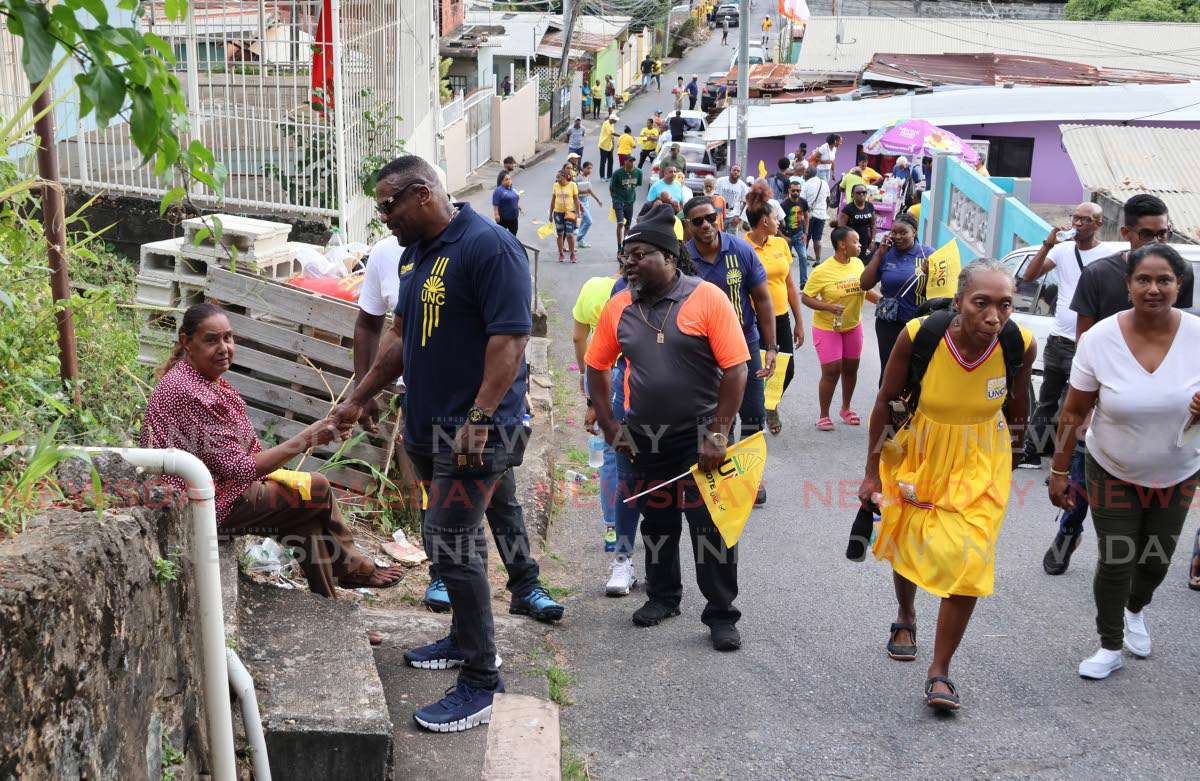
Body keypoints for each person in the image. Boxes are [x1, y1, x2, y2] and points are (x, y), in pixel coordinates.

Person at [332, 155, 563, 733]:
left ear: (422, 194)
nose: (384, 218)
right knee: (448, 540)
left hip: (478, 431)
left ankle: (482, 681)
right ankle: (463, 638)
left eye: (388, 205)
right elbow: (398, 337)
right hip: (428, 427)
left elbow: (509, 341)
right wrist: (359, 396)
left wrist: (479, 416)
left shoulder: (490, 248)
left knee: (450, 537)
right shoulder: (414, 254)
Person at [859, 259, 1035, 712]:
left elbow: (1019, 403)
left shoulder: (1018, 342)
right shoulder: (920, 336)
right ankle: (906, 614)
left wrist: (1015, 457)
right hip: (920, 451)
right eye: (981, 303)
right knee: (910, 537)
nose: (994, 317)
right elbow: (884, 401)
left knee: (971, 558)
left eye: (1005, 305)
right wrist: (872, 472)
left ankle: (940, 670)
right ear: (958, 302)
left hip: (982, 460)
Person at [142, 301, 405, 599]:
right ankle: (352, 567)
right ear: (186, 341)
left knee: (306, 523)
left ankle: (329, 606)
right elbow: (241, 469)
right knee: (317, 488)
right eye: (211, 340)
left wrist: (312, 436)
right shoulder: (192, 392)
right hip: (204, 502)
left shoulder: (199, 380)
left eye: (228, 338)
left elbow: (240, 455)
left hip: (214, 488)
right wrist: (308, 438)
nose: (224, 348)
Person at [585, 204, 750, 650]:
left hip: (702, 434)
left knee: (710, 528)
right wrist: (610, 425)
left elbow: (736, 369)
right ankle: (663, 597)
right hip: (645, 437)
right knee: (657, 523)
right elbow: (596, 366)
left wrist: (719, 432)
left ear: (670, 257)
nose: (630, 264)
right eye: (626, 257)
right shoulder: (619, 306)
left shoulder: (707, 299)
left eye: (640, 255)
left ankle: (721, 613)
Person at [1049, 244, 1200, 680]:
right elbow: (1073, 412)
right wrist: (1059, 471)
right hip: (1112, 467)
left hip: (1178, 471)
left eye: (1164, 280)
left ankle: (1135, 608)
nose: (1154, 289)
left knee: (1156, 561)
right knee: (1117, 557)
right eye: (1143, 280)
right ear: (1128, 285)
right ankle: (1109, 644)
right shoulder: (1099, 340)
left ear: (1179, 285)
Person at [1049, 194, 1196, 577]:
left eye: (1163, 234)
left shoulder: (1179, 273)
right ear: (1127, 232)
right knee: (1083, 477)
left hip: (1156, 409)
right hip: (1103, 400)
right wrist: (1087, 407)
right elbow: (1084, 343)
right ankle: (1068, 532)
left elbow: (1180, 338)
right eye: (1147, 234)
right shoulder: (1099, 274)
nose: (1157, 242)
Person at [682, 195, 777, 506]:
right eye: (698, 221)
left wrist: (771, 347)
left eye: (711, 218)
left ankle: (751, 476)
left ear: (719, 217)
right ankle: (727, 473)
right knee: (718, 413)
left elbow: (762, 299)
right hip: (702, 350)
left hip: (745, 343)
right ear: (688, 226)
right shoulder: (682, 259)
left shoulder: (741, 250)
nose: (706, 225)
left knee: (753, 412)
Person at [1015, 202, 1108, 471]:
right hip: (1057, 341)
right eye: (1075, 218)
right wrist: (1048, 244)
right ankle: (1031, 452)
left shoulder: (1108, 255)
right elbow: (1029, 276)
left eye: (1085, 220)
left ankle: (1064, 464)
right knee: (1046, 401)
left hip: (1085, 344)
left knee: (1073, 406)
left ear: (1098, 224)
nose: (1078, 224)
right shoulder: (1063, 250)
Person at [572, 271, 641, 595]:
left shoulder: (593, 287)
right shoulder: (645, 292)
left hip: (605, 376)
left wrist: (589, 393)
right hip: (635, 377)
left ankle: (613, 528)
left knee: (614, 460)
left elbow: (579, 339)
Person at [802, 226, 877, 431]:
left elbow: (865, 290)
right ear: (842, 244)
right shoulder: (822, 271)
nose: (860, 245)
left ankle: (846, 408)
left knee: (851, 368)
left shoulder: (858, 263)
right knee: (832, 371)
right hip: (828, 327)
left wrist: (882, 301)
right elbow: (806, 298)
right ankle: (824, 415)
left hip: (853, 326)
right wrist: (828, 307)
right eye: (856, 241)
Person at [744, 201, 805, 435]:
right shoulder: (743, 247)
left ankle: (770, 404)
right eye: (775, 217)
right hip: (754, 320)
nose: (779, 221)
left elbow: (790, 285)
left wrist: (799, 321)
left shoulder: (780, 243)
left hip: (781, 317)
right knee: (757, 370)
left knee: (787, 370)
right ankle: (756, 415)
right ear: (764, 220)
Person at [858, 213, 931, 375]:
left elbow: (938, 292)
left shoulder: (928, 255)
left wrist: (929, 275)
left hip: (918, 323)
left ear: (914, 232)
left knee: (914, 371)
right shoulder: (886, 253)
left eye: (903, 232)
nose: (898, 237)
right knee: (889, 369)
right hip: (889, 323)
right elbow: (864, 284)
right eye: (894, 232)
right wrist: (879, 253)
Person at [779, 177, 810, 284]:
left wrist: (805, 233)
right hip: (786, 236)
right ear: (789, 190)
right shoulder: (784, 204)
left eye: (798, 190)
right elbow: (777, 222)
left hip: (799, 235)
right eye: (793, 190)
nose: (796, 192)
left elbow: (807, 216)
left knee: (804, 257)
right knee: (786, 261)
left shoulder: (803, 202)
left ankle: (803, 283)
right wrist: (783, 236)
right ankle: (785, 283)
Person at [550, 168, 583, 263]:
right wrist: (550, 214)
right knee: (559, 234)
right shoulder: (555, 185)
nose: (557, 179)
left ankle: (572, 254)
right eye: (556, 177)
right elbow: (553, 200)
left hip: (570, 212)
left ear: (564, 177)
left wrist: (578, 213)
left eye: (559, 177)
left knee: (569, 234)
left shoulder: (572, 185)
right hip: (558, 213)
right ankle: (561, 254)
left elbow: (576, 200)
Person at [610, 154, 642, 246]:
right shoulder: (617, 173)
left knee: (627, 226)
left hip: (630, 201)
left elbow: (637, 185)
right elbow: (611, 188)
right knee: (620, 223)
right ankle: (619, 246)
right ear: (625, 162)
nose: (632, 163)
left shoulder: (638, 172)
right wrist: (614, 200)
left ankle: (625, 245)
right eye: (630, 161)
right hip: (619, 201)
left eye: (633, 161)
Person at [800, 167, 831, 260]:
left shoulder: (806, 185)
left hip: (809, 215)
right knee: (817, 239)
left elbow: (802, 201)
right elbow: (828, 199)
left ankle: (804, 258)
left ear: (809, 174)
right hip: (821, 215)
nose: (804, 174)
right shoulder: (824, 183)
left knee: (806, 237)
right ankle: (818, 259)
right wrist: (824, 209)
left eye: (805, 173)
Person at [839, 183, 876, 254]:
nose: (861, 194)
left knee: (864, 260)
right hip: (852, 243)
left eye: (864, 192)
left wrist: (872, 241)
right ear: (852, 194)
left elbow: (873, 225)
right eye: (858, 193)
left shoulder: (869, 206)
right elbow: (841, 229)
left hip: (865, 242)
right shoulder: (848, 209)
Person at [574, 161, 603, 249]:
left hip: (586, 201)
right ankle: (579, 238)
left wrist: (597, 200)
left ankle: (580, 242)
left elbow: (589, 190)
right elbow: (574, 192)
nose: (590, 170)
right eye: (588, 168)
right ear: (583, 168)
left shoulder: (587, 178)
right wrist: (579, 202)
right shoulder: (578, 178)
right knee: (589, 221)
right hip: (580, 202)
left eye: (591, 168)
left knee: (583, 222)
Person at [716, 165, 750, 235]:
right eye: (734, 170)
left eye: (738, 171)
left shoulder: (743, 186)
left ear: (740, 173)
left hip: (734, 217)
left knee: (732, 239)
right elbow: (715, 197)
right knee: (720, 237)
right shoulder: (720, 181)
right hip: (721, 215)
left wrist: (739, 218)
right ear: (730, 171)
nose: (736, 172)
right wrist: (717, 215)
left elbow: (746, 203)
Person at [598, 114, 617, 180]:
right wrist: (621, 135)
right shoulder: (606, 124)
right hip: (603, 145)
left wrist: (613, 144)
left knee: (611, 161)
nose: (616, 121)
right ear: (611, 119)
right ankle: (602, 176)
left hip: (609, 145)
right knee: (603, 161)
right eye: (615, 120)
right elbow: (612, 133)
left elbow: (612, 136)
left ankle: (609, 176)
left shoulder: (612, 124)